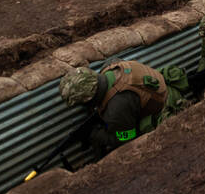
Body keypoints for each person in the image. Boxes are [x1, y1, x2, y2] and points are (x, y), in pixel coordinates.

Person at [58, 60, 190, 159]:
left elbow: (128, 139)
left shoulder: (116, 110)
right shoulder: (111, 66)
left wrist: (97, 135)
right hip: (164, 90)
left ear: (88, 98)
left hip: (167, 107)